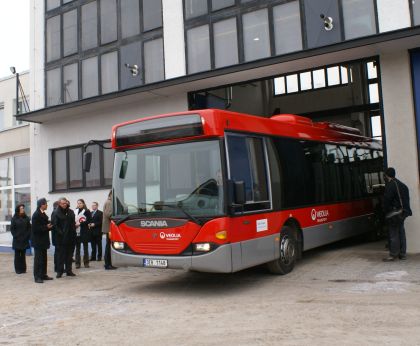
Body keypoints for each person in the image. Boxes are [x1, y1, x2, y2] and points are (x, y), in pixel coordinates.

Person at [383, 167, 412, 261]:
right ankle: (402, 254)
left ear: (387, 175)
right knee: (401, 232)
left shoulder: (390, 185)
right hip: (403, 212)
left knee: (393, 234)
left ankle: (393, 254)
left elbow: (387, 200)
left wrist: (385, 211)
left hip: (394, 214)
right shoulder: (402, 185)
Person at [52, 198, 77, 278]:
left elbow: (73, 223)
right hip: (61, 238)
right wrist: (62, 233)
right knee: (60, 256)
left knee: (69, 256)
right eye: (63, 203)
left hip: (71, 237)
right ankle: (59, 271)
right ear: (59, 204)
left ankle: (69, 270)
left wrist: (74, 230)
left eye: (65, 203)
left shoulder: (71, 212)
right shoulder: (56, 212)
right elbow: (55, 225)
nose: (65, 204)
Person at [31, 198, 53, 283]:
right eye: (46, 204)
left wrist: (49, 226)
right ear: (42, 205)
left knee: (44, 259)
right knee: (38, 260)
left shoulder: (42, 213)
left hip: (43, 240)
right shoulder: (36, 215)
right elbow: (35, 229)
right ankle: (37, 277)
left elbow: (44, 226)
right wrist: (46, 227)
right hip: (38, 241)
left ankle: (43, 274)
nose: (47, 205)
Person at [10, 204, 31, 274]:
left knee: (23, 255)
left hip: (25, 239)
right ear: (18, 209)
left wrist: (27, 236)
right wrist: (16, 236)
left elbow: (29, 228)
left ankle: (23, 269)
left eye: (23, 208)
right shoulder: (14, 218)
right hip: (17, 240)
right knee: (17, 256)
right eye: (21, 208)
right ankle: (18, 269)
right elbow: (12, 229)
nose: (23, 209)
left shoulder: (26, 218)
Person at [75, 199, 92, 268]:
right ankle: (77, 263)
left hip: (84, 231)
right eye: (78, 203)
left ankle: (86, 263)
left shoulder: (87, 211)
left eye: (80, 203)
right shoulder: (75, 211)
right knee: (77, 248)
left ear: (83, 204)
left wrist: (81, 223)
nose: (79, 204)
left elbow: (89, 220)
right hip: (77, 231)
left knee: (85, 248)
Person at [103, 191, 117, 270]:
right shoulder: (109, 202)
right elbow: (109, 214)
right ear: (111, 194)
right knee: (109, 246)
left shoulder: (110, 201)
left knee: (109, 245)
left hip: (109, 228)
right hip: (109, 228)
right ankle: (108, 264)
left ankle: (109, 263)